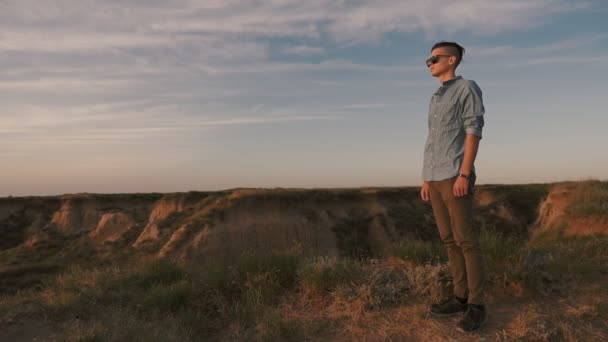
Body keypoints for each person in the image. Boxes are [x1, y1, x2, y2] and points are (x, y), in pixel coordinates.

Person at [419, 41, 487, 333]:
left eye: (434, 58)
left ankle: (477, 305)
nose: (429, 63)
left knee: (466, 240)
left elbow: (474, 131)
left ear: (452, 59)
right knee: (448, 239)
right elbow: (432, 140)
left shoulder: (467, 87)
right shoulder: (435, 97)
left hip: (454, 175)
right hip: (434, 177)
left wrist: (464, 173)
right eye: (428, 59)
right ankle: (460, 297)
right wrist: (425, 178)